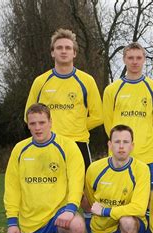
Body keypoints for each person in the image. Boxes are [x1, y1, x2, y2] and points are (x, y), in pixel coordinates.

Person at [4, 104, 86, 233]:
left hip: (59, 212)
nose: (38, 127)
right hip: (31, 219)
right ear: (28, 125)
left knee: (78, 225)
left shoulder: (68, 147)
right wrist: (12, 222)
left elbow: (76, 180)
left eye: (42, 122)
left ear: (50, 122)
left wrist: (71, 209)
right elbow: (12, 188)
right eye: (33, 123)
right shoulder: (19, 150)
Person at [102, 42, 153, 233]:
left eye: (139, 57)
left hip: (148, 158)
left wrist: (148, 146)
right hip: (120, 159)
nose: (135, 61)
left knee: (151, 206)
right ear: (124, 59)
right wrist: (122, 149)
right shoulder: (112, 90)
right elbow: (109, 124)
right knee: (123, 204)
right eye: (131, 57)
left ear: (144, 59)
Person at [24, 28, 103, 170]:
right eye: (59, 48)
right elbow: (27, 115)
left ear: (74, 53)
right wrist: (46, 129)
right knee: (48, 190)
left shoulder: (87, 81)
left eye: (68, 48)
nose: (64, 51)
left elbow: (98, 116)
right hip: (47, 143)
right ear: (52, 53)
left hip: (77, 143)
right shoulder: (40, 81)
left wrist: (76, 125)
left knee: (81, 191)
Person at [84, 125, 150, 233]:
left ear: (132, 146)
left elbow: (139, 208)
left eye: (126, 142)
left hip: (129, 225)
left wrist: (106, 211)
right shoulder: (94, 169)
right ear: (109, 145)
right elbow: (92, 202)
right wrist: (101, 213)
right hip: (102, 231)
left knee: (127, 221)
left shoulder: (141, 169)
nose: (121, 146)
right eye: (117, 141)